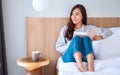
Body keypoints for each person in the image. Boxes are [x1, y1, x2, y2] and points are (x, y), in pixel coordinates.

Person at [56, 4, 112, 72]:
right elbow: (58, 47)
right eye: (72, 14)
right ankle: (81, 68)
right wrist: (71, 45)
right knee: (76, 38)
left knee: (86, 38)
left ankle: (91, 68)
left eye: (77, 14)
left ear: (82, 16)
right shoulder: (65, 29)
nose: (74, 17)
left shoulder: (89, 28)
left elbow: (108, 31)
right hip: (69, 57)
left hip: (85, 57)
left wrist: (100, 36)